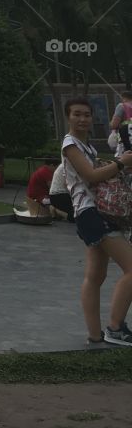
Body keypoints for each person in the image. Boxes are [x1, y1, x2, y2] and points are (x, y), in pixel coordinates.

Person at [61, 96, 132, 347]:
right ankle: (115, 328)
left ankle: (94, 335)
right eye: (77, 114)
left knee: (95, 276)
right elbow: (90, 176)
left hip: (92, 213)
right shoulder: (70, 144)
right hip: (91, 213)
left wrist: (116, 166)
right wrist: (120, 163)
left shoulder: (87, 146)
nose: (82, 119)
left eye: (86, 115)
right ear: (67, 117)